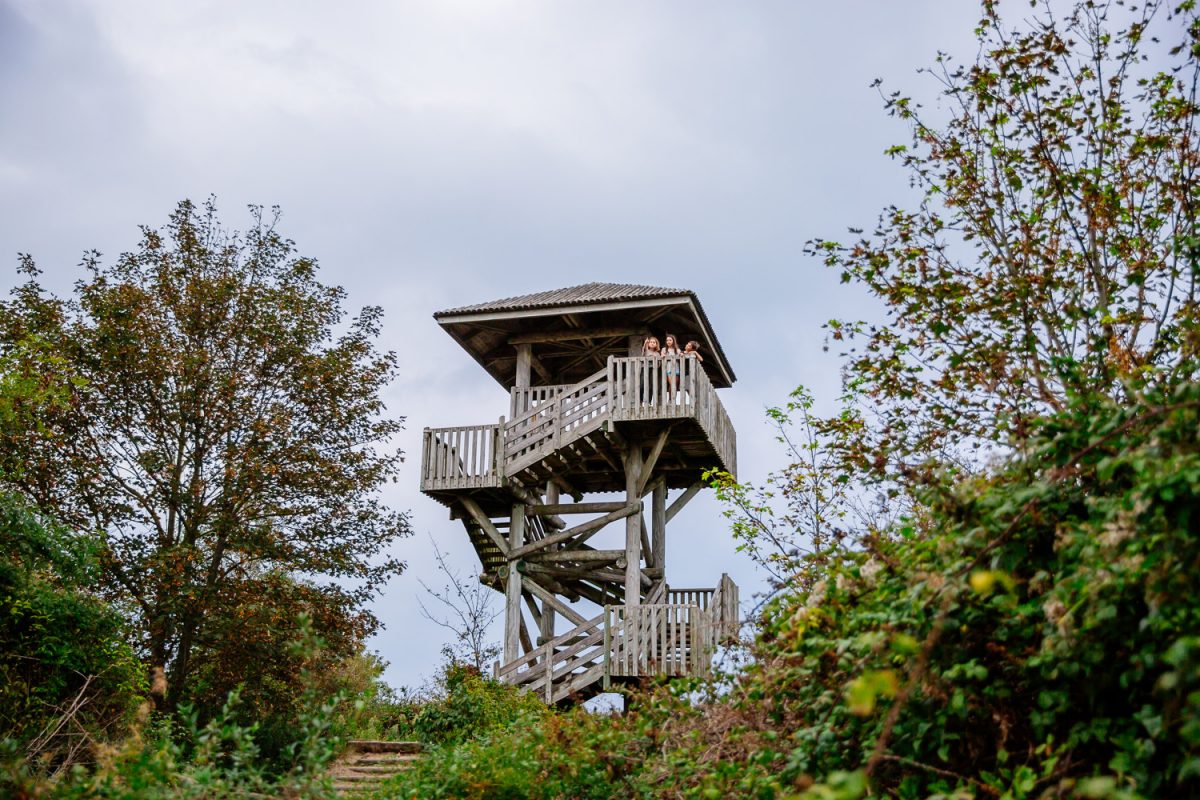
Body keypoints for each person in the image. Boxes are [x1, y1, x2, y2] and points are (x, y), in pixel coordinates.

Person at [662, 334, 682, 399]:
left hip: (676, 369)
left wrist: (681, 354)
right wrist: (662, 355)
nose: (668, 341)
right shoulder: (664, 349)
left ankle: (673, 400)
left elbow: (681, 355)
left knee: (675, 386)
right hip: (668, 369)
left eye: (670, 340)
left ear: (673, 341)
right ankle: (670, 399)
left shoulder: (677, 350)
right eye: (667, 340)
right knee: (672, 384)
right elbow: (662, 354)